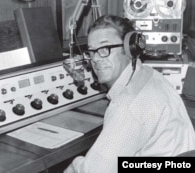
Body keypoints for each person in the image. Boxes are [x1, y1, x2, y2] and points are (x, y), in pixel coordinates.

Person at [64, 15, 195, 173]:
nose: (96, 59)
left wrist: (75, 164)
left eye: (104, 49)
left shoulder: (130, 105)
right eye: (91, 51)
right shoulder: (150, 75)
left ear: (130, 49)